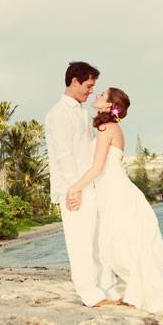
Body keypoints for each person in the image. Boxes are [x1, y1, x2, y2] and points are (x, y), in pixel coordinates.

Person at [65, 87, 163, 313]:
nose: (97, 96)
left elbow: (97, 167)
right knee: (126, 242)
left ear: (109, 105)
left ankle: (140, 292)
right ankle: (137, 291)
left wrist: (74, 188)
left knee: (119, 243)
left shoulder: (105, 128)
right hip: (115, 190)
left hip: (116, 192)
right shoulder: (114, 128)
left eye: (101, 95)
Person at [45, 62, 119, 307]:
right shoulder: (57, 114)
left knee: (99, 240)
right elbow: (64, 157)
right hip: (73, 190)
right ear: (74, 81)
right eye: (88, 86)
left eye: (93, 87)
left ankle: (108, 290)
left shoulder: (83, 112)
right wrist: (74, 189)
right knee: (80, 244)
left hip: (89, 185)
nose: (90, 91)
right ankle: (91, 295)